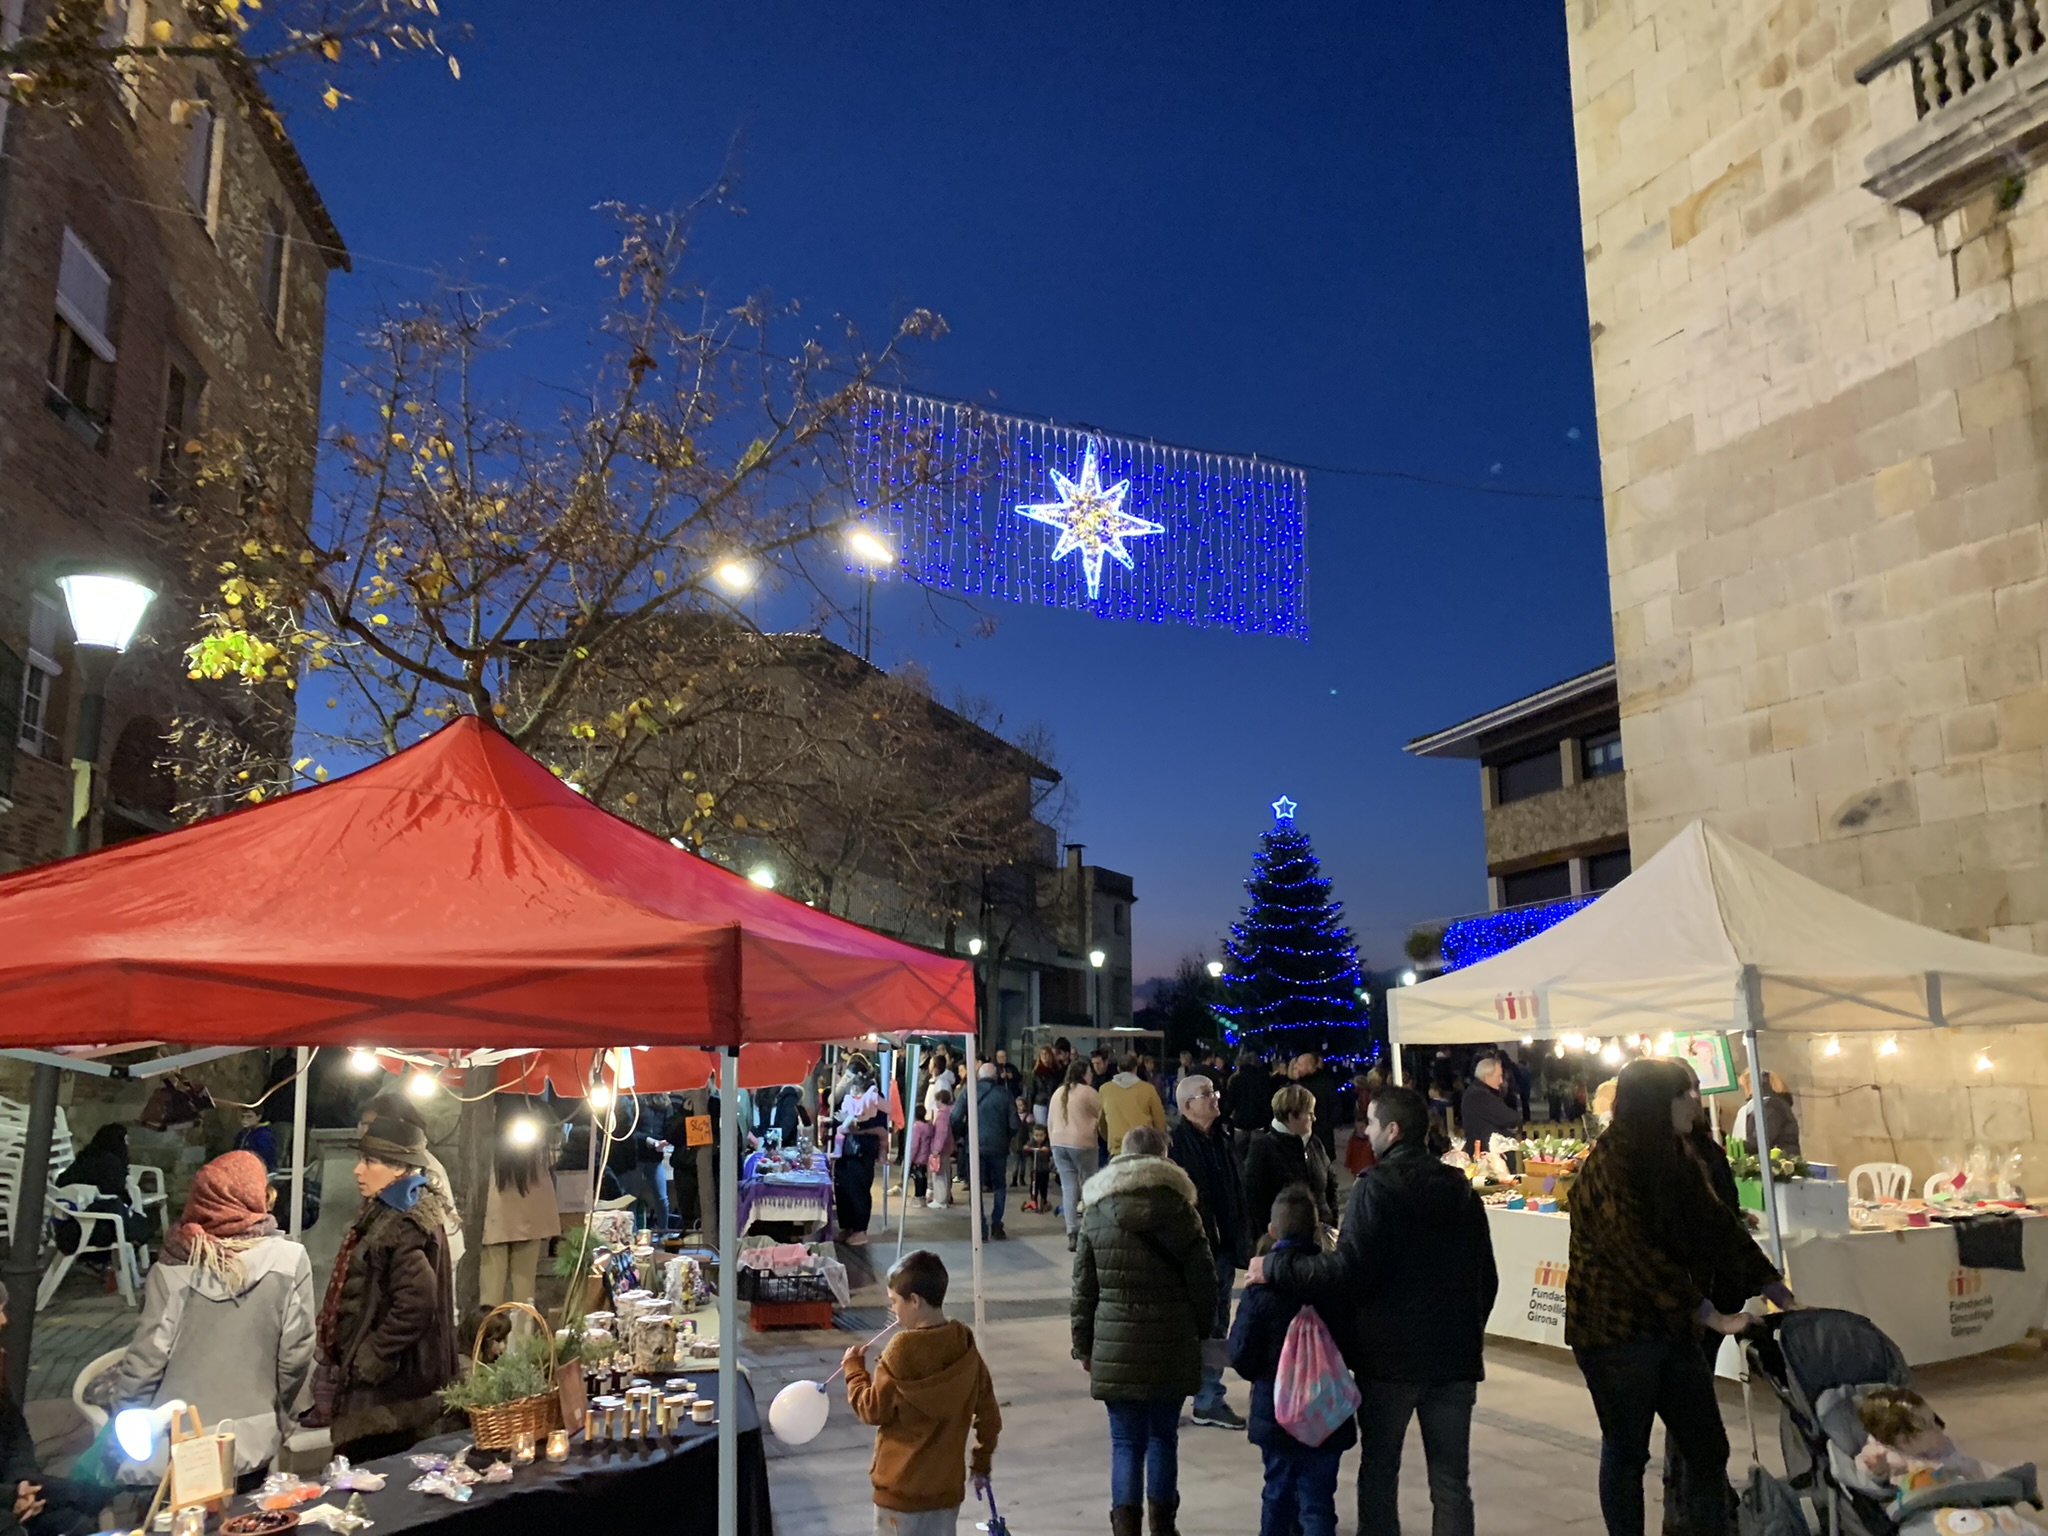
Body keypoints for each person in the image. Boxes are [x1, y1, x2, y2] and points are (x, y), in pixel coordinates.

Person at [1566, 1058, 1795, 1536]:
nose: (1695, 1101)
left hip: (1670, 1328)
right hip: (1615, 1334)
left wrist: (1780, 1293)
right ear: (1656, 1104)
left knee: (1707, 1446)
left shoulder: (1676, 1154)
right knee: (1627, 1451)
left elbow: (1719, 1229)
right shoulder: (1609, 1165)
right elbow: (1638, 1256)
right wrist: (1711, 1316)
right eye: (1682, 1094)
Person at [1255, 1084, 1496, 1536]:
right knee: (1450, 1481)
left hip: (1391, 1361)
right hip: (1453, 1359)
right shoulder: (1461, 1192)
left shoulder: (1376, 1190)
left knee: (1381, 1471)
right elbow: (1489, 1279)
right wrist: (1464, 1329)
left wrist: (1278, 1264)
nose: (1364, 1132)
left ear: (1393, 1130)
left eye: (1369, 1123)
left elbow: (1348, 1270)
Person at [89, 1151, 312, 1481]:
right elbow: (295, 1356)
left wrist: (120, 1427)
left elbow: (148, 1357)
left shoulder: (173, 1265)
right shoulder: (290, 1259)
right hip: (252, 1439)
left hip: (176, 1446)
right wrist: (284, 1419)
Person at [1072, 1126, 1216, 1536]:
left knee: (1125, 1443)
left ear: (1122, 1156)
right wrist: (1201, 1332)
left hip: (1115, 1344)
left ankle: (1125, 1528)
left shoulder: (1098, 1210)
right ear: (1164, 1155)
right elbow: (1204, 1281)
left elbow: (1084, 1285)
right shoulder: (1182, 1209)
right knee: (1163, 1438)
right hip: (1171, 1340)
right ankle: (1164, 1526)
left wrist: (1083, 1344)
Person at [320, 1117, 458, 1463]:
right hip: (397, 1388)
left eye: (370, 1162)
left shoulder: (403, 1221)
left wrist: (376, 1353)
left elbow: (416, 1300)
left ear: (399, 1169)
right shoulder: (390, 1212)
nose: (358, 1170)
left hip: (395, 1392)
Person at [1230, 1188, 1360, 1536]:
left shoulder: (1259, 1291)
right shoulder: (1335, 1284)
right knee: (1318, 1504)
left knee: (1277, 1494)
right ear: (1317, 1230)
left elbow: (1241, 1355)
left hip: (1276, 1414)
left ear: (1272, 1231)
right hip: (1327, 1412)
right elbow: (1353, 1344)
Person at [844, 1250, 1001, 1536]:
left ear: (914, 1301)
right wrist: (981, 1463)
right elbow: (989, 1415)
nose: (893, 1310)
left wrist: (854, 1372)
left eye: (894, 1301)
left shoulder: (899, 1351)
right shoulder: (963, 1344)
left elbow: (871, 1410)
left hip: (899, 1492)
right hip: (945, 1491)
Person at [1168, 1074, 1249, 1432]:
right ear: (1187, 1106)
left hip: (1224, 1248)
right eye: (1206, 1095)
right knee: (1191, 1325)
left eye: (1215, 1093)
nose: (1215, 1099)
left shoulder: (1223, 1138)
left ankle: (1209, 1398)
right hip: (1194, 1250)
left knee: (1217, 1324)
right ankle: (1181, 1395)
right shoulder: (1176, 1145)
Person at [0, 1283, 106, 1535]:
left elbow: (15, 1434)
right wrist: (10, 1497)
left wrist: (22, 1481)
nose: (4, 1320)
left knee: (84, 1499)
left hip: (11, 1487)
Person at [357, 1092, 465, 1274]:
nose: (363, 1131)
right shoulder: (390, 1164)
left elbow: (413, 1289)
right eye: (362, 1124)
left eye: (370, 1125)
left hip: (431, 1259)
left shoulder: (422, 1168)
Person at [479, 1099, 560, 1313]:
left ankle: (488, 1343)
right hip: (528, 1217)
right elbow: (556, 1153)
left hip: (497, 1216)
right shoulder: (539, 1117)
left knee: (491, 1295)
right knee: (524, 1294)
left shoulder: (488, 1117)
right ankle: (522, 1345)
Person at [1243, 1084, 1339, 1240]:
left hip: (1321, 1236)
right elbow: (1256, 1202)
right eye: (1309, 1113)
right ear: (1291, 1117)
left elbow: (1331, 1184)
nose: (1314, 1118)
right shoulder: (1263, 1149)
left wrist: (1331, 1220)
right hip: (1288, 1243)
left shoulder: (1314, 1142)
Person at [53, 1124, 150, 1254]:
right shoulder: (110, 1164)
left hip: (67, 1221)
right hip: (87, 1224)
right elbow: (116, 1195)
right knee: (141, 1224)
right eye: (125, 1140)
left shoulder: (86, 1156)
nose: (127, 1144)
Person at [950, 1063, 1020, 1239]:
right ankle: (997, 1224)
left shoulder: (969, 1091)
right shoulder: (1005, 1094)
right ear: (996, 1077)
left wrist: (961, 1135)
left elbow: (955, 1117)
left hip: (974, 1146)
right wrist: (1006, 1136)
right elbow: (1014, 1124)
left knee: (976, 1187)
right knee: (999, 1186)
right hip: (998, 1146)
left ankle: (980, 1227)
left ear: (979, 1076)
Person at [1047, 1059, 1102, 1252]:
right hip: (1083, 1143)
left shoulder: (1058, 1092)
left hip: (1058, 1142)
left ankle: (1072, 1232)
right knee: (1089, 1185)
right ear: (1083, 1074)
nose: (1092, 1075)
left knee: (1069, 1188)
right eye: (1089, 1072)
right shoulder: (1088, 1092)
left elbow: (1049, 1120)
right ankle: (1089, 1229)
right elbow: (1103, 1114)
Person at [834, 1055, 889, 1247]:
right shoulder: (848, 1095)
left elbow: (882, 1128)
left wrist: (859, 1129)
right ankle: (847, 1226)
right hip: (846, 1150)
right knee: (842, 1189)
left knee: (858, 1189)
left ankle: (860, 1229)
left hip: (862, 1150)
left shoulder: (875, 1099)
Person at [1098, 1054, 1168, 1157]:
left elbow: (1101, 1122)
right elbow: (1160, 1121)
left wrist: (1109, 1138)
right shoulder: (1148, 1089)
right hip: (1144, 1147)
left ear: (1118, 1068)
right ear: (1135, 1068)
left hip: (1118, 1148)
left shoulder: (1105, 1089)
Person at [1459, 1053, 1524, 1155]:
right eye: (1499, 1076)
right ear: (1487, 1076)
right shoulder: (1479, 1095)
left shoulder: (1478, 1092)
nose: (1501, 1081)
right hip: (1487, 1155)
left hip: (1486, 1152)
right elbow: (1509, 1118)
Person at [1730, 1069, 1802, 1157]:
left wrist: (1734, 1148)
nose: (1745, 1092)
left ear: (1752, 1085)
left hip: (1776, 1164)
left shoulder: (1771, 1106)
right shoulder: (1764, 1106)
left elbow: (1762, 1139)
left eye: (1744, 1087)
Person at [1287, 1052, 1339, 1159]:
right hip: (1304, 1140)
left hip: (1319, 1139)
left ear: (1310, 1066)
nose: (1296, 1066)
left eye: (1300, 1064)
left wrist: (1325, 1127)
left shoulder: (1322, 1084)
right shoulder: (1299, 1085)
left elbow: (1335, 1108)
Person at [1224, 1051, 1275, 1155]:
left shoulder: (1236, 1080)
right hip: (1259, 1122)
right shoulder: (1264, 1079)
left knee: (1238, 1154)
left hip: (1241, 1122)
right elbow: (1267, 1101)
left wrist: (1225, 1118)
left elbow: (1230, 1101)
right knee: (1258, 1155)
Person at [925, 1089, 956, 1209]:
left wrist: (936, 1149)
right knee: (946, 1173)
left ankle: (940, 1199)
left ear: (940, 1100)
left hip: (941, 1149)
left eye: (936, 1100)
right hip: (947, 1147)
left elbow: (941, 1133)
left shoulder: (942, 1115)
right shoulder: (950, 1112)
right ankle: (944, 1197)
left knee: (939, 1174)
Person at [234, 1107, 280, 1171]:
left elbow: (266, 1158)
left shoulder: (264, 1135)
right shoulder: (242, 1134)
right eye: (242, 1116)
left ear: (259, 1117)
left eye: (249, 1116)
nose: (244, 1119)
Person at [1021, 1124, 1054, 1214]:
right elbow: (1025, 1151)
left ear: (1045, 1135)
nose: (1039, 1138)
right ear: (1033, 1135)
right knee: (1033, 1185)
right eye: (1036, 1135)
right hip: (1034, 1169)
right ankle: (1033, 1200)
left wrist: (1047, 1150)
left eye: (1041, 1135)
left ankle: (1044, 1201)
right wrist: (1026, 1149)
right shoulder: (1031, 1142)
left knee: (1043, 1186)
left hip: (1044, 1169)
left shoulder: (1046, 1143)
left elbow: (1050, 1152)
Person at [906, 1104, 934, 1202]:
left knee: (917, 1178)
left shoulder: (917, 1127)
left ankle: (918, 1197)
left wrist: (910, 1157)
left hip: (917, 1157)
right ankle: (922, 1196)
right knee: (924, 1177)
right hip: (926, 1156)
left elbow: (914, 1144)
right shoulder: (929, 1126)